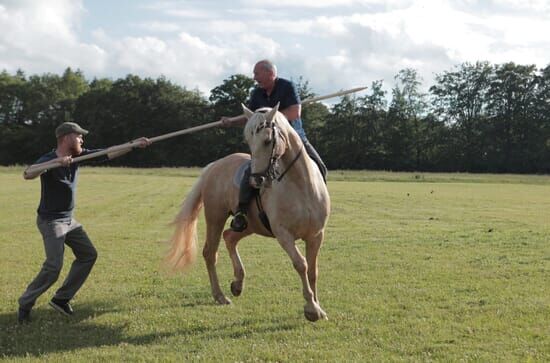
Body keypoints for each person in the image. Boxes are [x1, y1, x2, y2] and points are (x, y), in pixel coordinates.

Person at [17, 122, 151, 324]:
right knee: (53, 267)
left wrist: (133, 144)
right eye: (79, 136)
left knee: (88, 255)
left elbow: (107, 153)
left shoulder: (79, 155)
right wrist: (56, 163)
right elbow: (28, 173)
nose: (82, 139)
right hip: (51, 221)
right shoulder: (50, 159)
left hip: (69, 220)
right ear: (66, 137)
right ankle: (25, 303)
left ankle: (61, 299)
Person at [221, 59, 327, 232]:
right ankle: (241, 212)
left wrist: (272, 118)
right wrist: (231, 122)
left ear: (270, 73)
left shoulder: (287, 87)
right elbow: (252, 117)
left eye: (257, 73)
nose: (254, 78)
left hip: (295, 142)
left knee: (321, 167)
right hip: (267, 145)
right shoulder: (257, 94)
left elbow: (295, 112)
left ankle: (319, 205)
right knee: (252, 172)